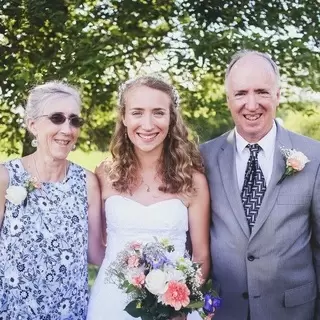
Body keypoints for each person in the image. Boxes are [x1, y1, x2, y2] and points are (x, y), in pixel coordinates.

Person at [200, 49, 320, 320]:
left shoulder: (314, 157)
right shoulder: (203, 158)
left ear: (278, 94)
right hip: (223, 312)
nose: (251, 104)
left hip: (294, 312)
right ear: (228, 99)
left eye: (262, 92)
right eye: (241, 93)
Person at [87, 75, 210, 320]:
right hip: (111, 304)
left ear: (171, 118)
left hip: (173, 309)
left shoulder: (193, 180)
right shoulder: (104, 174)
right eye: (137, 112)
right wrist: (124, 278)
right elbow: (97, 248)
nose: (148, 124)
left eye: (158, 113)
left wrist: (180, 302)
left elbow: (201, 256)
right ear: (123, 117)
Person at [0, 81, 104, 319]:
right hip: (13, 312)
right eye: (57, 118)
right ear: (32, 124)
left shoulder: (87, 183)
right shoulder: (6, 177)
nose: (67, 129)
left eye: (75, 120)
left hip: (71, 312)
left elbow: (96, 253)